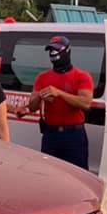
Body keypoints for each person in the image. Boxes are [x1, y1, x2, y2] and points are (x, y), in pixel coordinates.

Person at [15, 35, 93, 169]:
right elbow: (32, 107)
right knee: (49, 172)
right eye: (51, 50)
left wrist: (60, 93)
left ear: (67, 50)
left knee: (76, 174)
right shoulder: (42, 78)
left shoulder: (82, 76)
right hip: (51, 134)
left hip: (74, 135)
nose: (53, 53)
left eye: (56, 49)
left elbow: (85, 103)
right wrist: (40, 96)